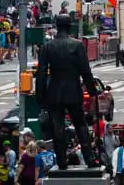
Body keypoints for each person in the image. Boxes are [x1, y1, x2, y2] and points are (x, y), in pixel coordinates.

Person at [35, 14, 99, 168]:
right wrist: (92, 91)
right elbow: (85, 71)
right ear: (70, 26)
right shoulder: (77, 46)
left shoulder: (48, 47)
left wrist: (40, 97)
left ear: (56, 26)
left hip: (54, 92)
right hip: (73, 91)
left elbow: (41, 75)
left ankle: (62, 162)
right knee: (80, 125)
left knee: (58, 129)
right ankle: (89, 158)